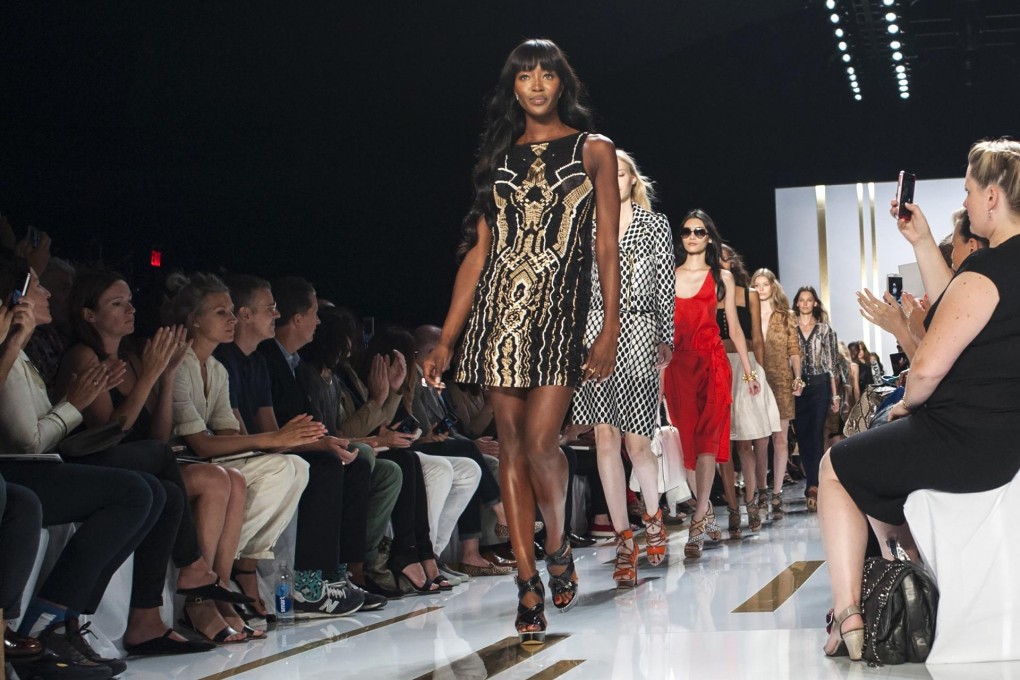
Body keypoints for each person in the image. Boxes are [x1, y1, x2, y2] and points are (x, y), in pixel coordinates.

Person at [423, 38, 621, 645]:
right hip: (498, 315)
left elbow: (605, 247)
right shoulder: (498, 159)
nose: (536, 84)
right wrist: (446, 338)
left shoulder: (594, 152)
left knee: (541, 444)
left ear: (563, 84)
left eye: (547, 75)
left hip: (560, 314)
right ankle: (528, 582)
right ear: (514, 88)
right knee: (509, 446)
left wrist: (609, 326)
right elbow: (479, 252)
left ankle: (556, 541)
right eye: (525, 76)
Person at [820, 138, 1020, 660]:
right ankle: (906, 570)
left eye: (970, 191)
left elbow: (928, 365)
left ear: (993, 197)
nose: (969, 201)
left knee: (836, 465)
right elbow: (958, 307)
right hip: (1005, 440)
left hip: (967, 444)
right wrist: (924, 241)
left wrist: (911, 398)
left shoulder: (988, 273)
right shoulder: (991, 273)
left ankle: (850, 616)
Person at [0, 256, 214, 677]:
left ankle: (69, 619)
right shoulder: (69, 354)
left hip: (46, 464)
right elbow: (31, 441)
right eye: (38, 287)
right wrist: (74, 405)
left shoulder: (23, 354)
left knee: (159, 491)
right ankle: (51, 622)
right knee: (143, 482)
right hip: (28, 466)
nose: (46, 294)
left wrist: (159, 375)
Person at [59, 269, 258, 644]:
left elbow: (157, 435)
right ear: (89, 315)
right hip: (94, 468)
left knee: (201, 483)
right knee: (202, 477)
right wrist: (151, 376)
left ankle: (179, 603)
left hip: (143, 468)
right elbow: (108, 435)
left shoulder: (135, 361)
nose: (130, 309)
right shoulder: (83, 357)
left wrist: (163, 378)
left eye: (130, 301)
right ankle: (195, 573)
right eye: (116, 304)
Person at [167, 273, 320, 625]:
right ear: (194, 320)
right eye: (221, 313)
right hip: (182, 462)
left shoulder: (217, 369)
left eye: (231, 312)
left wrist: (279, 441)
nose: (231, 320)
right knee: (274, 468)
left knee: (297, 467)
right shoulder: (181, 365)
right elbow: (200, 443)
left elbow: (226, 432)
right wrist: (272, 440)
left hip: (211, 460)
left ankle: (227, 575)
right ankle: (218, 580)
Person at [244, 275, 394, 614]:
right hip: (267, 450)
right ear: (298, 318)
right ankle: (311, 581)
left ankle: (338, 573)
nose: (318, 321)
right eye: (315, 313)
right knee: (330, 463)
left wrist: (322, 440)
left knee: (352, 461)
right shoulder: (269, 358)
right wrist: (319, 442)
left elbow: (302, 424)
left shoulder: (288, 362)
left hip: (283, 445)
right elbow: (276, 427)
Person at [570, 149, 673, 586]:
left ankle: (653, 519)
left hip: (639, 327)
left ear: (633, 180)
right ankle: (624, 539)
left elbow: (665, 280)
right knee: (604, 439)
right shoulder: (586, 228)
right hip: (594, 330)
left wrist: (664, 335)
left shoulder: (654, 224)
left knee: (637, 441)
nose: (614, 179)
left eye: (622, 172)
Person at [663, 210, 760, 559]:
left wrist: (749, 372)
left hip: (713, 362)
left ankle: (696, 525)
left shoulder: (722, 277)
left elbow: (734, 328)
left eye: (699, 231)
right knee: (688, 446)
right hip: (678, 366)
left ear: (709, 237)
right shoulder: (668, 276)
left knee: (706, 443)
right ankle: (704, 513)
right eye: (687, 231)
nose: (692, 236)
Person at [717, 245, 779, 533]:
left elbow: (755, 336)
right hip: (716, 365)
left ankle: (752, 502)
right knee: (722, 446)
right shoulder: (705, 291)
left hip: (745, 366)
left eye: (726, 255)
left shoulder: (749, 294)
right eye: (716, 255)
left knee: (746, 440)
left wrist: (759, 373)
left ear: (734, 260)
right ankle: (732, 508)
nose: (721, 260)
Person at [751, 269, 803, 519]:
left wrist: (798, 376)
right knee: (760, 440)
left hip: (781, 379)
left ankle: (777, 493)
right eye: (756, 284)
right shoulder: (747, 315)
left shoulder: (785, 317)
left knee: (780, 439)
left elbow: (794, 349)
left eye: (765, 284)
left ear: (773, 287)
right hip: (755, 379)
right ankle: (762, 491)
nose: (761, 289)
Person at [792, 286, 839, 512]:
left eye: (809, 300)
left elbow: (831, 363)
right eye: (801, 300)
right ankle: (812, 480)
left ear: (815, 304)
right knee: (802, 434)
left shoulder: (824, 330)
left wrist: (835, 393)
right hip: (798, 387)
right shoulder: (790, 329)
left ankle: (814, 485)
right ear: (797, 303)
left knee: (817, 433)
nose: (805, 304)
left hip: (820, 384)